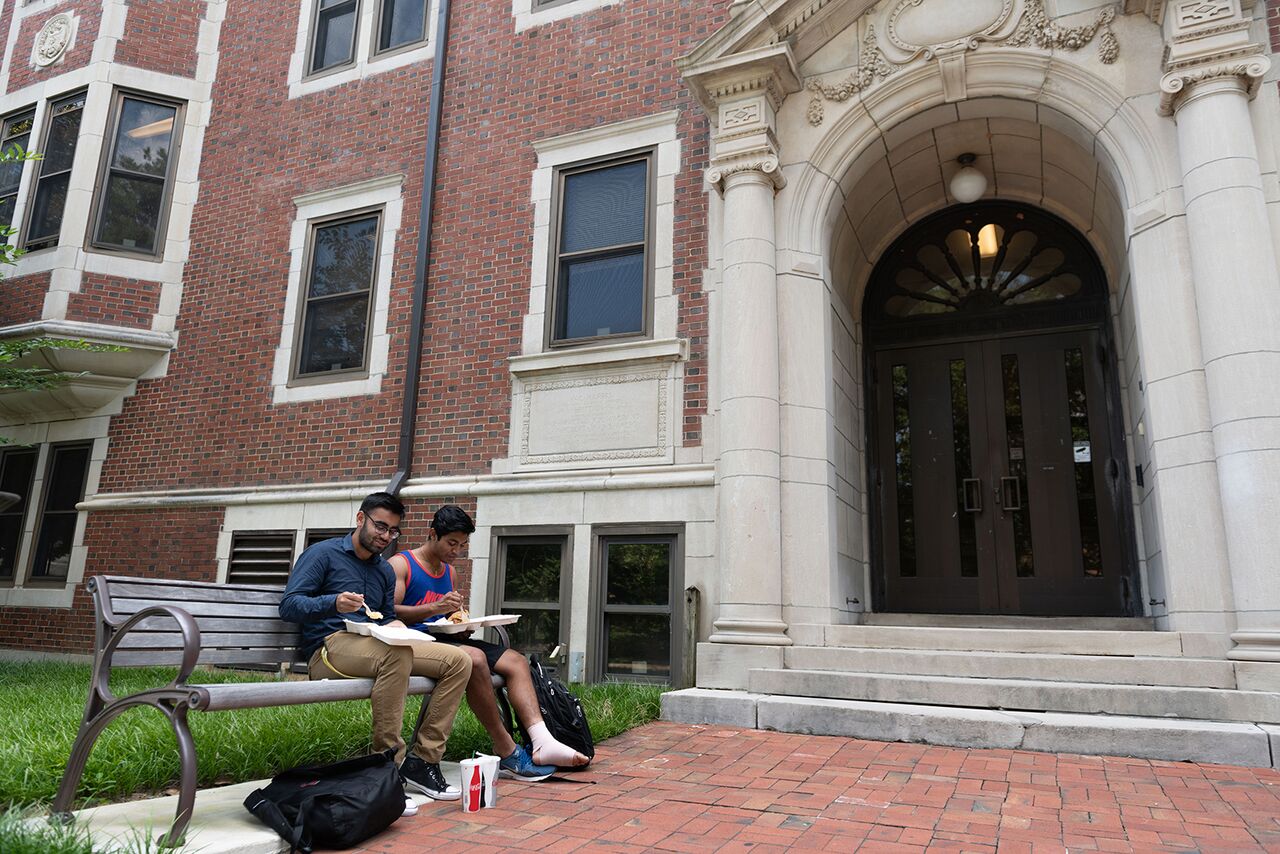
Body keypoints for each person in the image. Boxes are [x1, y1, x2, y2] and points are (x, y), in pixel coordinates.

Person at [279, 492, 472, 801]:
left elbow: (388, 617)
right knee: (397, 654)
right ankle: (386, 771)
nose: (386, 536)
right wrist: (335, 602)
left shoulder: (382, 569)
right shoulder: (323, 554)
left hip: (376, 644)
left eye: (393, 530)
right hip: (329, 648)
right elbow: (288, 606)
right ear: (360, 519)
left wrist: (399, 628)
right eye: (380, 527)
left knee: (459, 661)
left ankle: (423, 761)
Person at [388, 504, 590, 781]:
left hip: (444, 640)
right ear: (432, 534)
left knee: (516, 660)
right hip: (415, 644)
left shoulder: (449, 572)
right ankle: (506, 748)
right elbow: (390, 613)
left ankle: (542, 742)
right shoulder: (402, 564)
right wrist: (436, 608)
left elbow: (448, 617)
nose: (457, 551)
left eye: (462, 545)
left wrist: (461, 626)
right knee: (476, 659)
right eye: (452, 543)